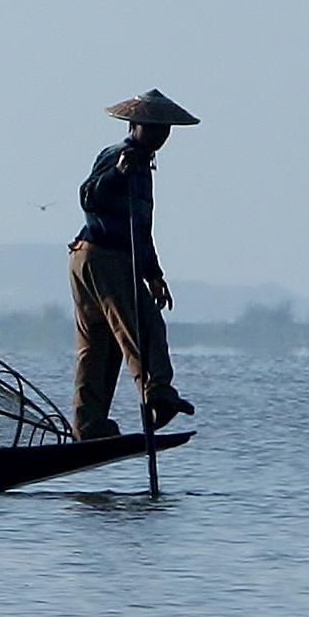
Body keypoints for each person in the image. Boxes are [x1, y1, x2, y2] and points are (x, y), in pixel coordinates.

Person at [69, 89, 201, 439]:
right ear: (134, 126)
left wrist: (153, 274)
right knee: (144, 327)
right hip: (102, 256)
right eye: (152, 128)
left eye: (164, 130)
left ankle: (89, 425)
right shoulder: (119, 156)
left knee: (100, 346)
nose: (159, 135)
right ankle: (157, 393)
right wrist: (117, 173)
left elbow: (140, 228)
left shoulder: (144, 165)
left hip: (102, 257)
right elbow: (88, 196)